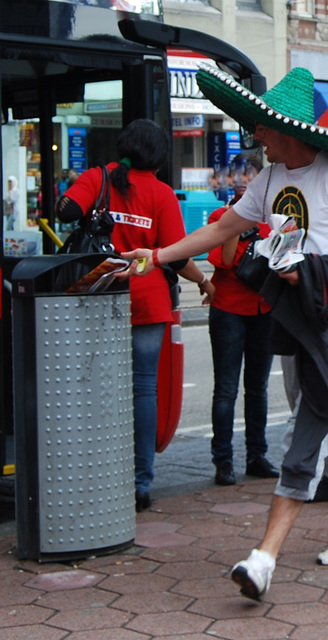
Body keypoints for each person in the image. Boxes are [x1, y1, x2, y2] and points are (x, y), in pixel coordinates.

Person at [119, 66, 328, 599]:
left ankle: (264, 557)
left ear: (287, 131)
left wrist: (318, 270)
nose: (255, 136)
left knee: (308, 425)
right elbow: (221, 229)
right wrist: (155, 256)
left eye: (262, 128)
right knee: (321, 415)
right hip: (296, 314)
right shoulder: (270, 180)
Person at [56, 118, 214, 513]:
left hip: (97, 299)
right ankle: (141, 482)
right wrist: (205, 283)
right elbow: (176, 257)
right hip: (147, 302)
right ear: (160, 157)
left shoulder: (99, 178)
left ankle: (94, 474)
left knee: (93, 389)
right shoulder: (161, 194)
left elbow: (65, 212)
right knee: (143, 390)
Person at [207, 154, 279, 486]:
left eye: (250, 175)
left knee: (258, 388)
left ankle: (257, 455)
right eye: (238, 175)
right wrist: (237, 219)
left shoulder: (274, 219)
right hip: (228, 310)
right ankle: (223, 460)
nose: (243, 180)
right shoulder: (221, 216)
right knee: (226, 388)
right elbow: (222, 260)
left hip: (263, 310)